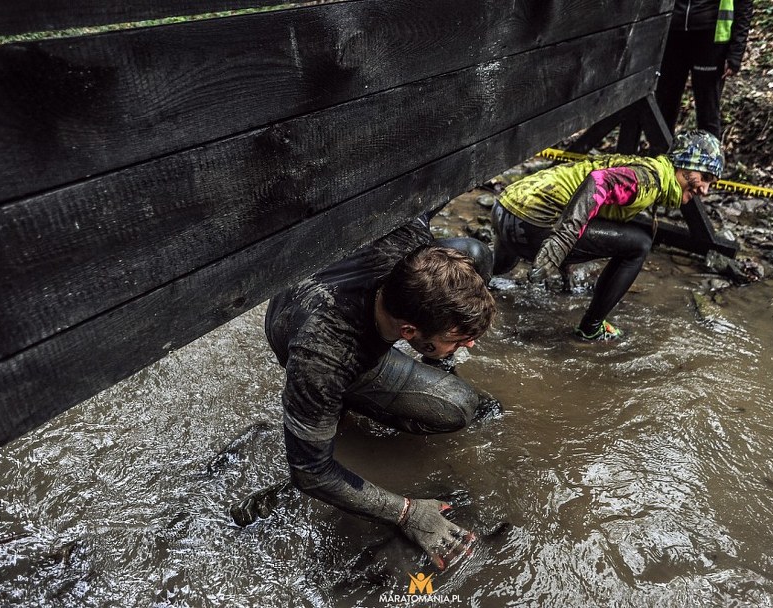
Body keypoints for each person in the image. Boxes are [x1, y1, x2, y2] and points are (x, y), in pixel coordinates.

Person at [231, 212, 496, 571]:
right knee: (458, 406)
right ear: (407, 331)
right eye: (458, 340)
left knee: (473, 251)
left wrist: (447, 340)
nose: (469, 345)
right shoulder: (326, 355)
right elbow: (310, 472)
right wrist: (407, 513)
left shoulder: (408, 238)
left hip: (330, 291)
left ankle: (427, 358)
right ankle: (345, 399)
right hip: (303, 322)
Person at [491, 130, 724, 341]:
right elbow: (599, 181)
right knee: (639, 244)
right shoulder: (650, 180)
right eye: (704, 178)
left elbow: (590, 199)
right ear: (684, 164)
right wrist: (564, 238)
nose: (704, 190)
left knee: (496, 270)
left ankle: (476, 271)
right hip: (532, 224)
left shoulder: (644, 168)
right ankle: (591, 328)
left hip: (504, 212)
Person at [655, 0, 754, 139]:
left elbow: (743, 4)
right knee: (664, 109)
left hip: (710, 39)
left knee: (708, 113)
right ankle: (659, 156)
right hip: (671, 35)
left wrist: (736, 51)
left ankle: (710, 158)